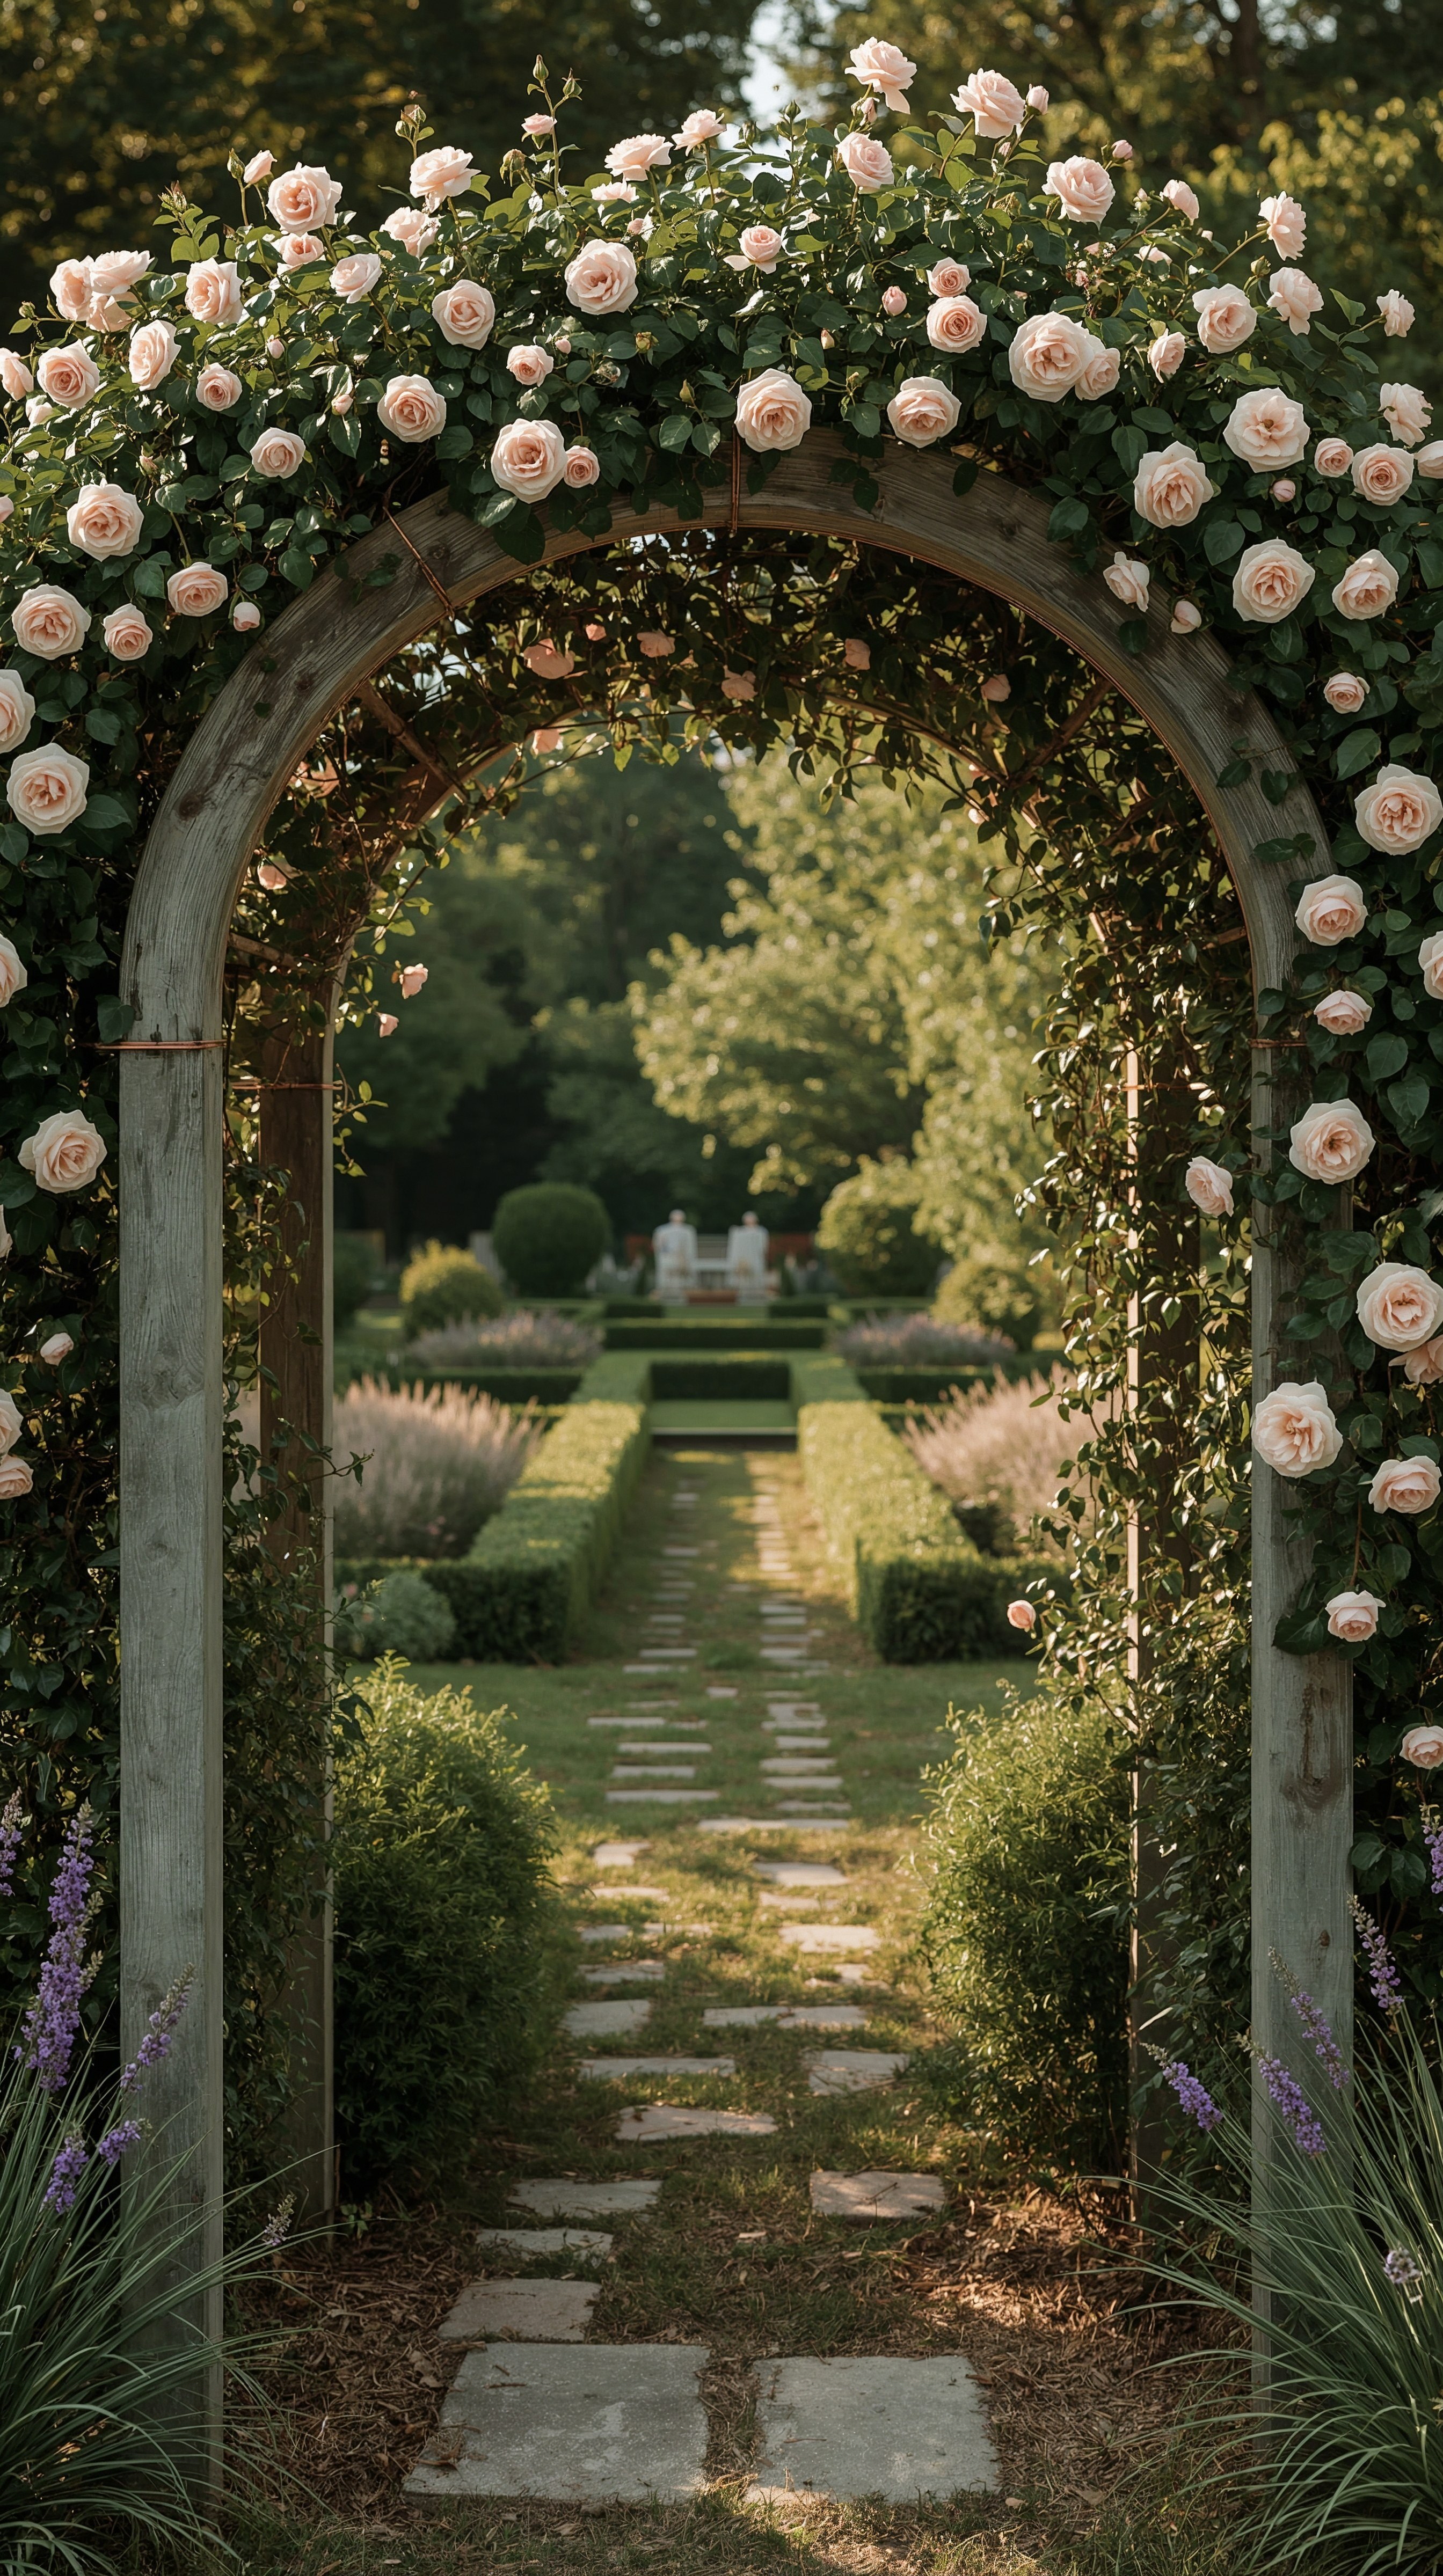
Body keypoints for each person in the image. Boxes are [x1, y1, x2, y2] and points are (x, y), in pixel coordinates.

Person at [652, 1207, 698, 1302]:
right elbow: (658, 1247)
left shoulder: (687, 1231)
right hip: (672, 1260)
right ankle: (669, 1293)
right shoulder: (663, 1230)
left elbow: (690, 1249)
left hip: (676, 1260)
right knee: (672, 1270)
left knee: (675, 1271)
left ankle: (675, 1293)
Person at [726, 1209, 769, 1302]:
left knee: (755, 1274)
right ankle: (745, 1293)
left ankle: (756, 1293)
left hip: (755, 1258)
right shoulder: (741, 1232)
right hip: (745, 1258)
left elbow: (763, 1247)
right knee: (745, 1277)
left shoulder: (760, 1232)